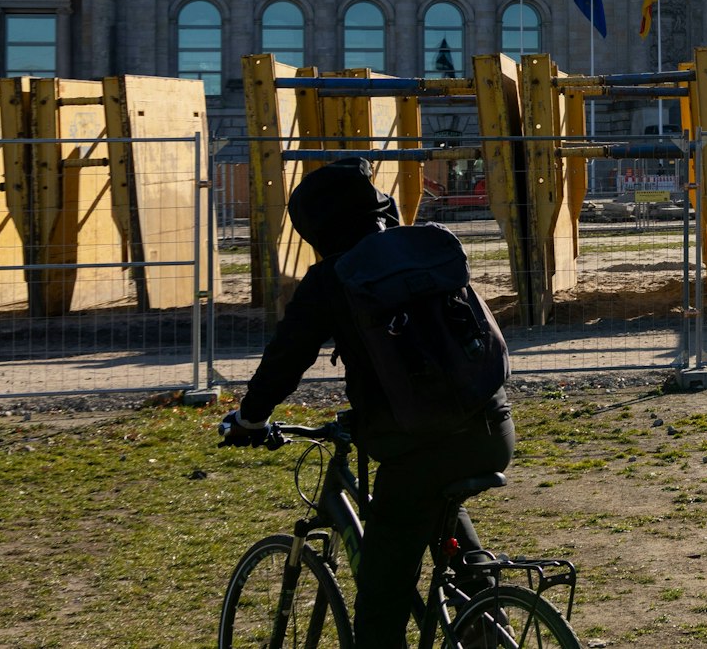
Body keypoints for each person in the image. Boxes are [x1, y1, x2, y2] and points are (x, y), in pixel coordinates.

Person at [219, 157, 514, 645]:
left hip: (420, 442)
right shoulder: (420, 249)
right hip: (493, 426)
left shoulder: (335, 276)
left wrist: (251, 418)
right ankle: (486, 614)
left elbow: (286, 359)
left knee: (381, 593)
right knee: (437, 505)